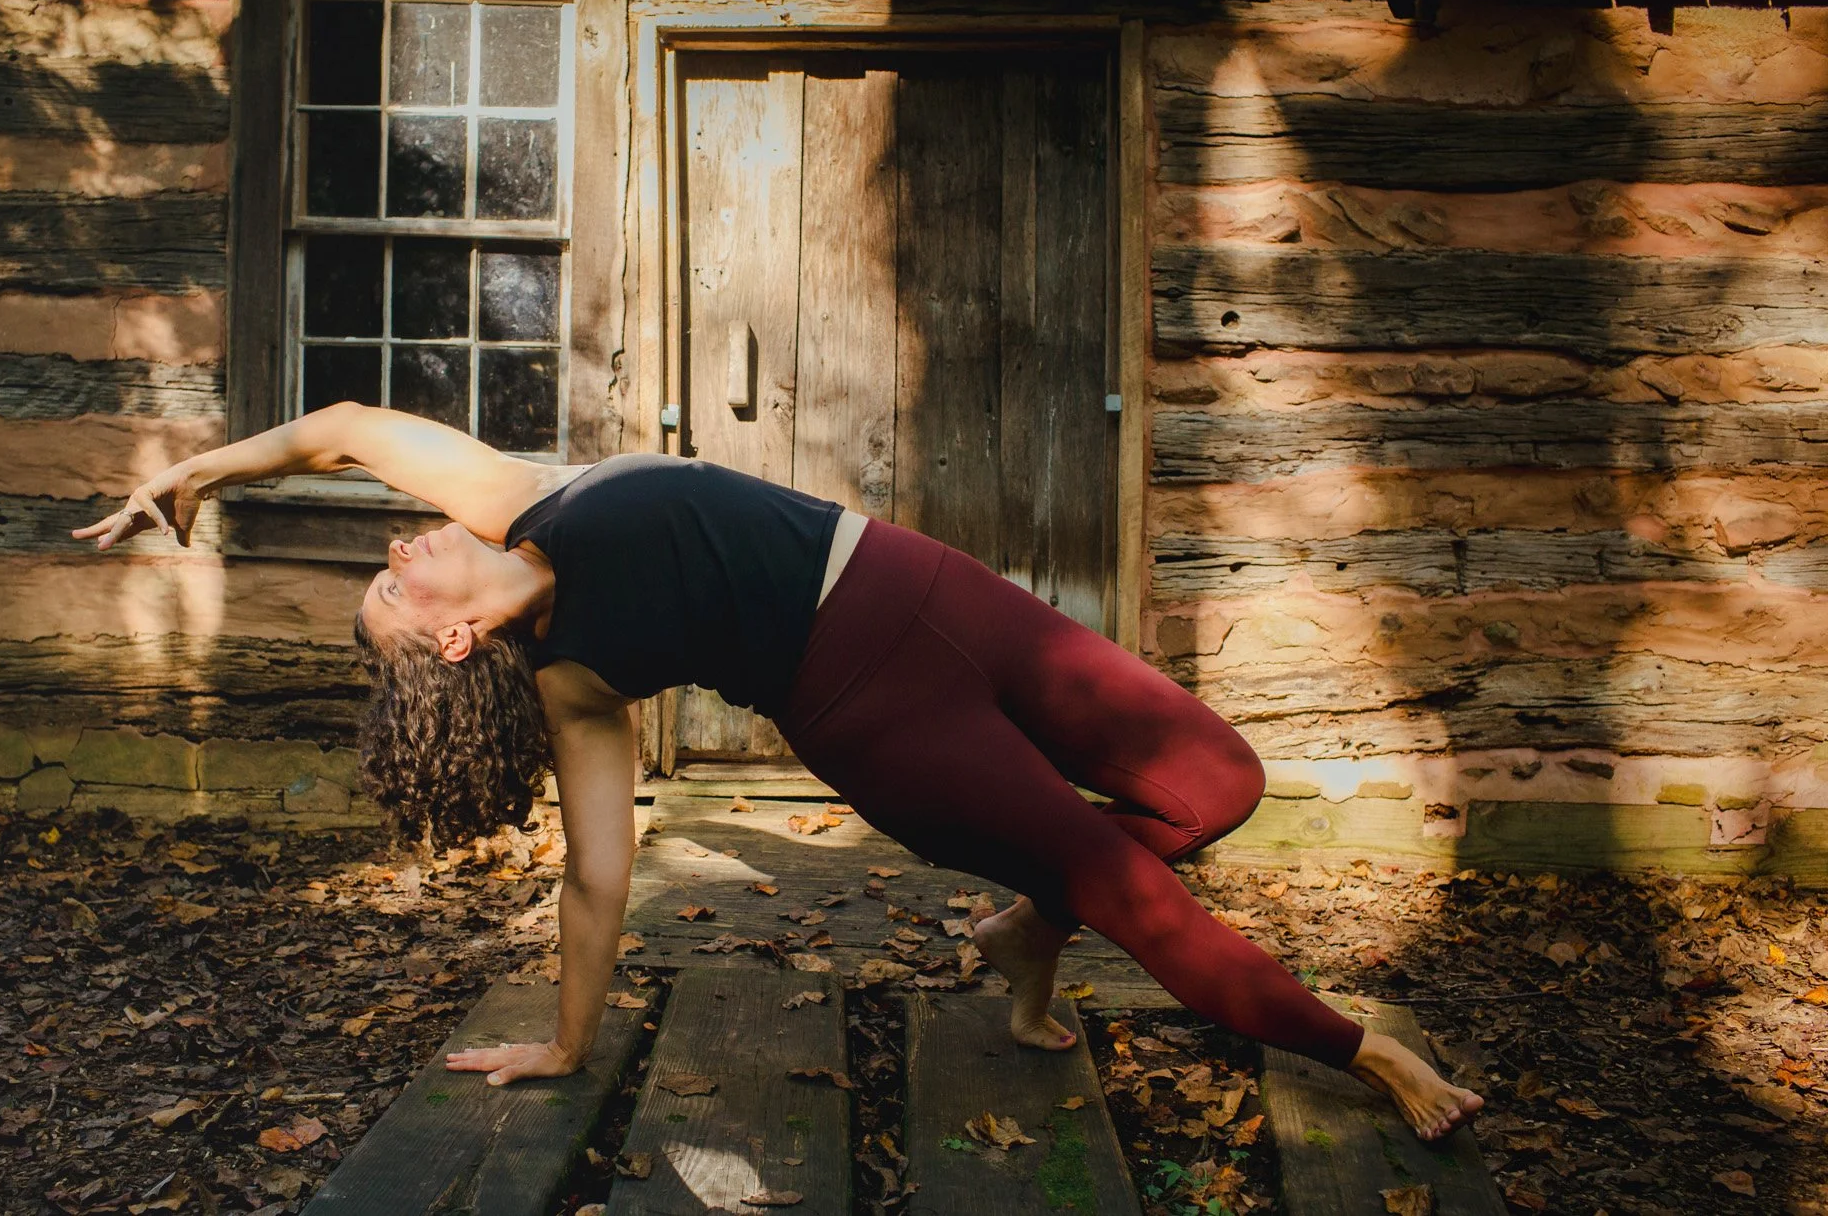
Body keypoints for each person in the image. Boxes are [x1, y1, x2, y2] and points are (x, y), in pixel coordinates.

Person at [76, 401, 1483, 1141]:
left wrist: (201, 471)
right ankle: (1365, 1057)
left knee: (1216, 784)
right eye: (395, 586)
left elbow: (337, 428)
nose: (397, 544)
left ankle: (1024, 927)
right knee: (1123, 878)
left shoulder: (507, 497)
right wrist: (564, 1046)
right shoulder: (578, 691)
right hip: (876, 712)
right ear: (446, 643)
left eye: (390, 551)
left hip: (923, 581)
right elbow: (596, 887)